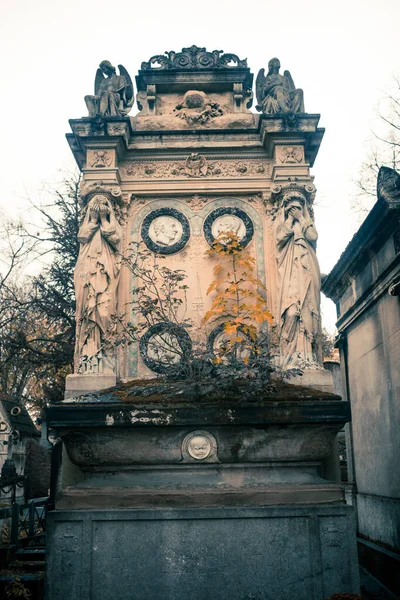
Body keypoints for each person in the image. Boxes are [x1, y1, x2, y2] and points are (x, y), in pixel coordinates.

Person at [74, 195, 122, 372]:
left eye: (103, 205)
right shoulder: (87, 227)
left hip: (106, 272)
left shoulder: (112, 226)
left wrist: (103, 218)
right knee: (88, 311)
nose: (99, 206)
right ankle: (90, 358)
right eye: (95, 206)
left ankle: (106, 355)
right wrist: (94, 219)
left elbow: (116, 238)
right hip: (88, 272)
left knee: (105, 311)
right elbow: (83, 236)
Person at [276, 192, 321, 370]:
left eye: (298, 208)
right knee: (292, 312)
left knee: (307, 311)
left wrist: (301, 218)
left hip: (306, 271)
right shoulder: (285, 226)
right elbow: (280, 238)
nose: (294, 210)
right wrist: (289, 220)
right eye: (291, 208)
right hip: (290, 272)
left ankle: (307, 358)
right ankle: (289, 357)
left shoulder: (306, 223)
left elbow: (312, 236)